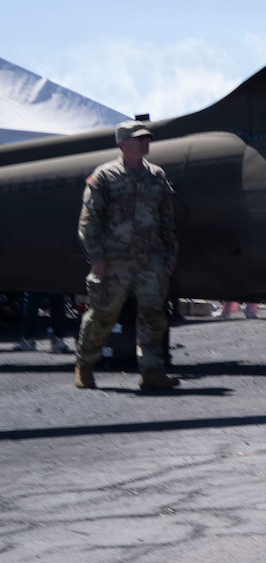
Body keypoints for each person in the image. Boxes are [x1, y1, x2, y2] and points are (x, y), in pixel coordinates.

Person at [75, 121, 180, 391]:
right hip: (114, 261)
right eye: (138, 139)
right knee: (103, 316)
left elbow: (167, 220)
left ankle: (152, 371)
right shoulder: (105, 176)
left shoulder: (156, 175)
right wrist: (96, 257)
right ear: (123, 143)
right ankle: (84, 365)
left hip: (151, 260)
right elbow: (89, 222)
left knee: (152, 316)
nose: (145, 142)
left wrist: (169, 258)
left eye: (147, 138)